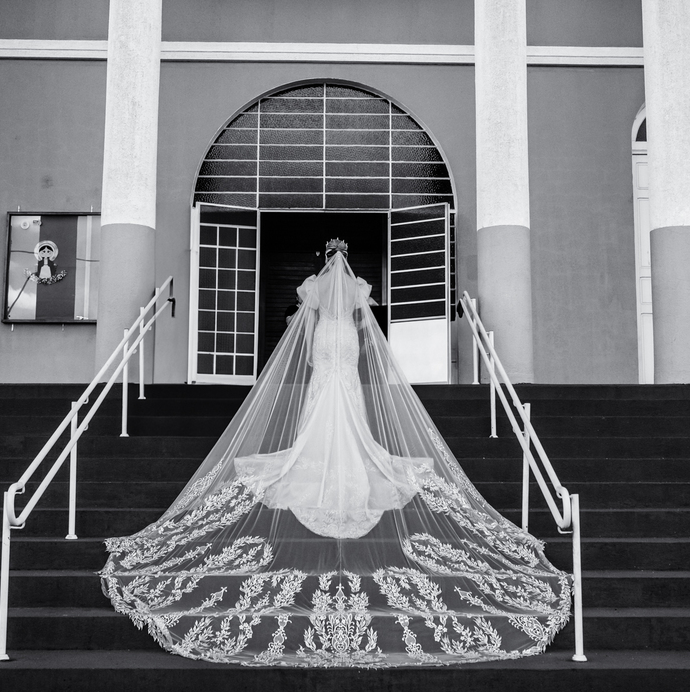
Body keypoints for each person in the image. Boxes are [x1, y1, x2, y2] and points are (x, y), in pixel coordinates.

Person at [100, 239, 571, 667]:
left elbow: (304, 344)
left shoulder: (312, 292)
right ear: (347, 263)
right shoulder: (359, 291)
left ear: (325, 262)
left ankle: (318, 461)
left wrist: (318, 350)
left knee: (322, 399)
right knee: (350, 404)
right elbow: (369, 338)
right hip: (343, 346)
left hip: (328, 345)